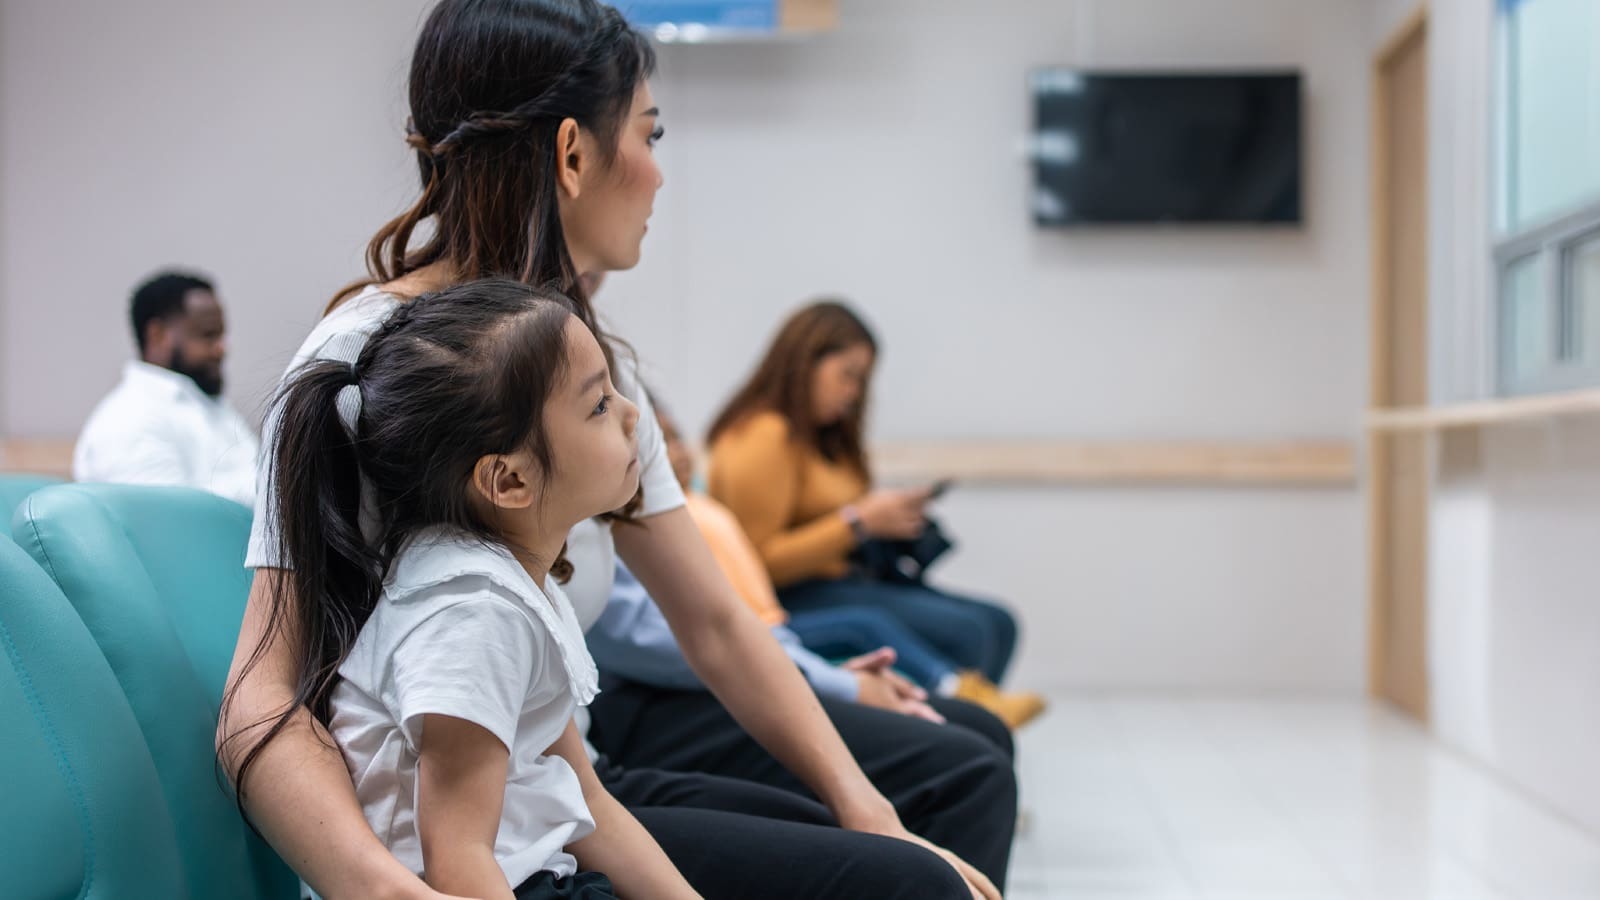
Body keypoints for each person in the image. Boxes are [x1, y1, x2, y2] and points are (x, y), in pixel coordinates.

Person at [217, 3, 998, 899]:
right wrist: (385, 890)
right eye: (650, 133)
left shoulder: (584, 360)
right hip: (463, 823)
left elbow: (713, 623)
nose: (662, 175)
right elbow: (259, 698)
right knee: (912, 875)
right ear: (573, 154)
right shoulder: (365, 363)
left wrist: (868, 806)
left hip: (565, 783)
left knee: (930, 800)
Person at [268, 280, 698, 899]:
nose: (632, 413)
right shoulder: (473, 613)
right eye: (599, 405)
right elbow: (458, 860)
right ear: (510, 480)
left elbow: (588, 799)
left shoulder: (509, 582)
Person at [707, 299, 1044, 729]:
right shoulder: (765, 435)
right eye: (847, 375)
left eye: (862, 380)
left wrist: (887, 519)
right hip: (793, 594)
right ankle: (962, 746)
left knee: (1000, 622)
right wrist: (858, 523)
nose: (854, 392)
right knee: (970, 632)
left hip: (845, 579)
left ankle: (982, 746)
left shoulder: (822, 437)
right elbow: (759, 563)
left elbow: (840, 514)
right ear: (805, 360)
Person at [74, 270, 258, 505]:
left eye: (222, 335)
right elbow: (166, 525)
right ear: (158, 335)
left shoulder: (209, 405)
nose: (222, 349)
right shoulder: (127, 419)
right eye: (208, 335)